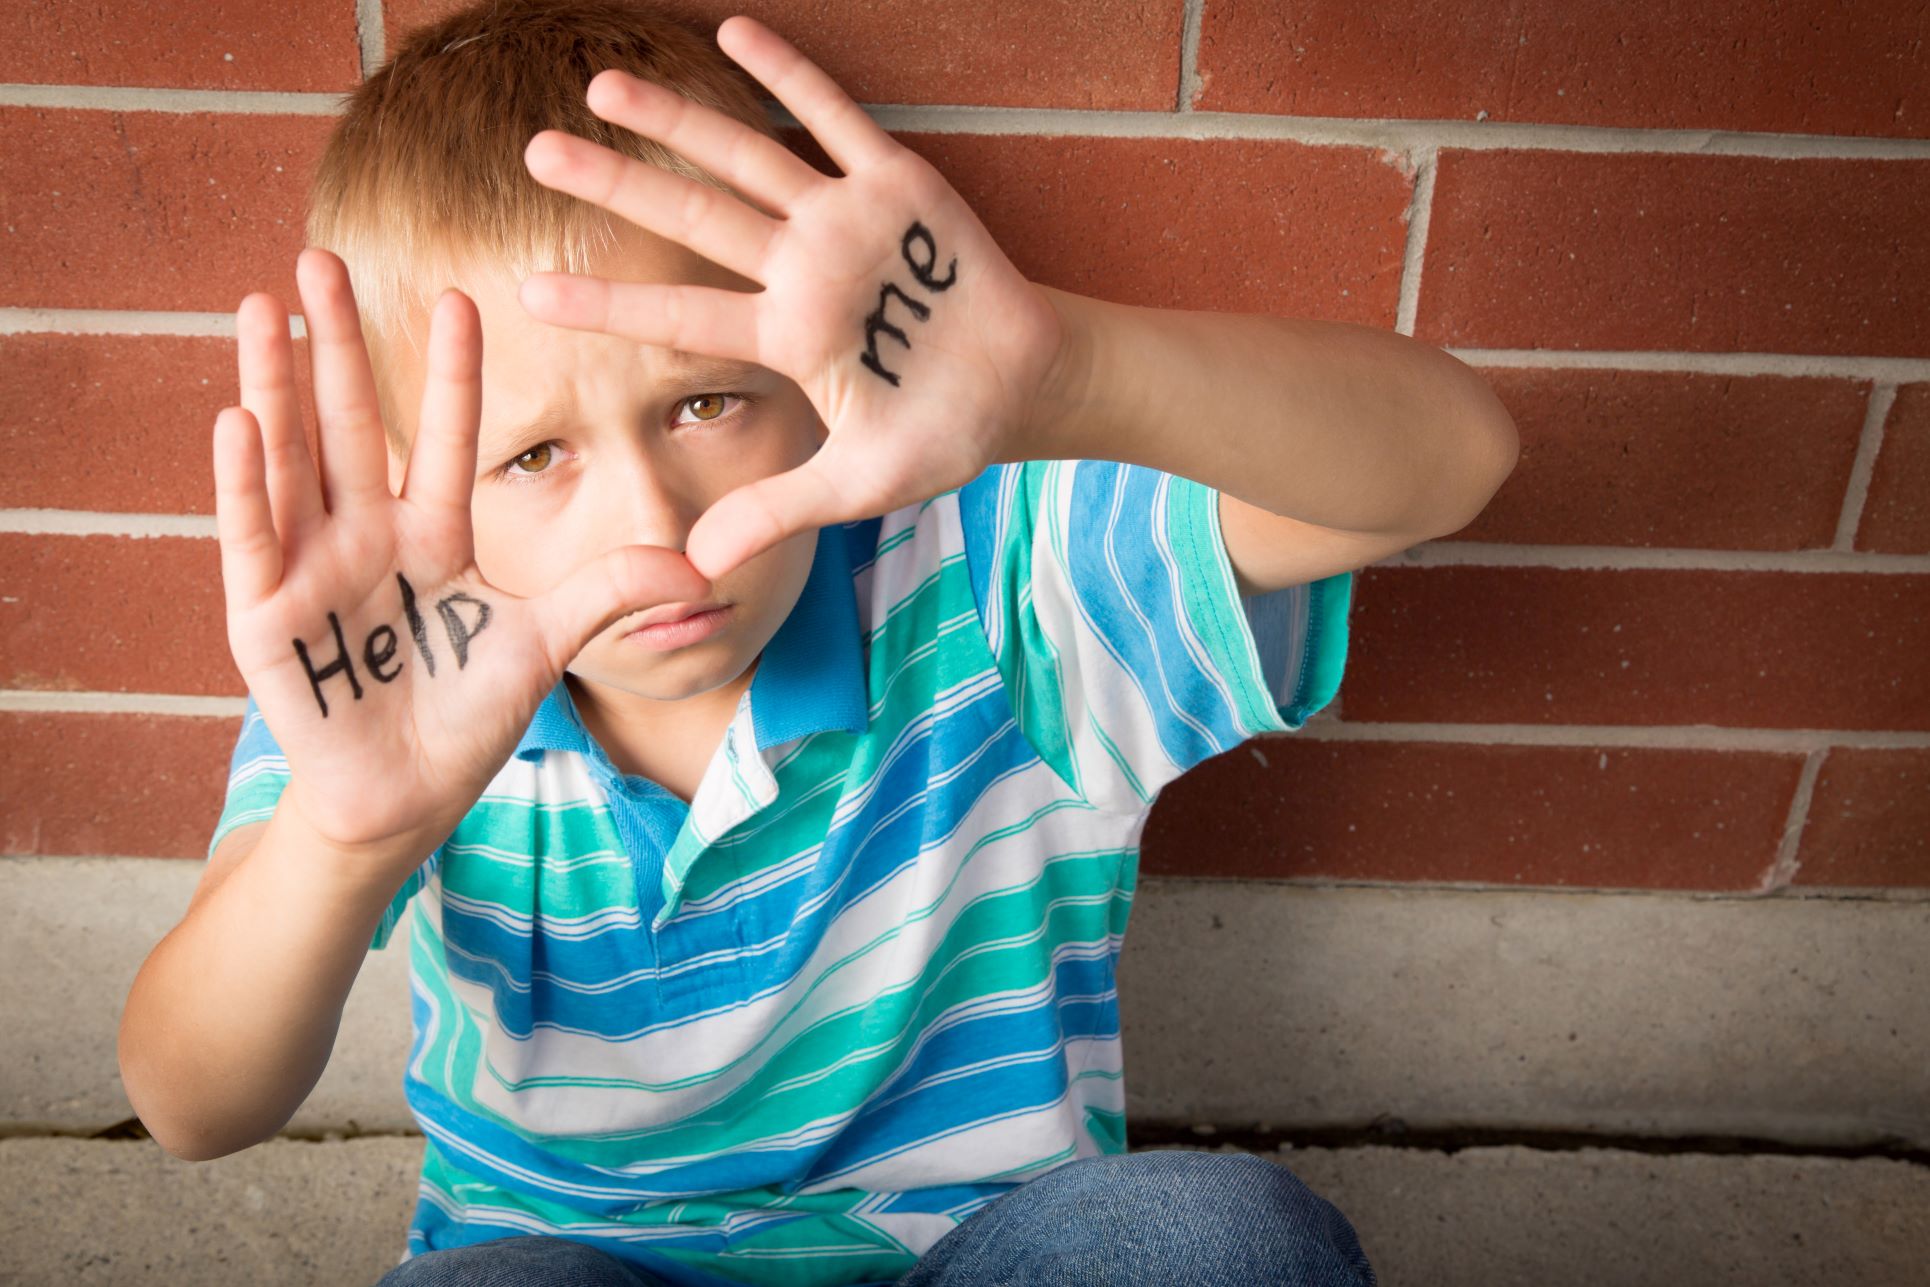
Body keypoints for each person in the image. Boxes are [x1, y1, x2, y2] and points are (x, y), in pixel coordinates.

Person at [117, 2, 1518, 1283]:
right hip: (573, 1260)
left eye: (708, 405)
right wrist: (351, 834)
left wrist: (1068, 376)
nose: (649, 528)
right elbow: (189, 1106)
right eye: (533, 455)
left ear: (810, 362)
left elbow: (1453, 459)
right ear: (417, 475)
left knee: (1212, 1244)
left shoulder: (989, 579)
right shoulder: (391, 686)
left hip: (970, 1248)